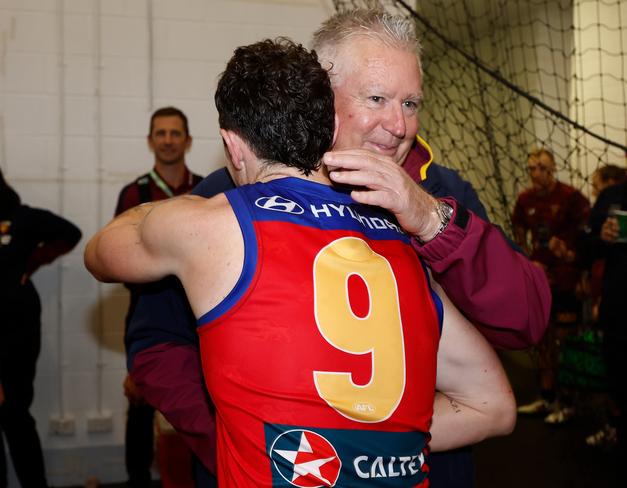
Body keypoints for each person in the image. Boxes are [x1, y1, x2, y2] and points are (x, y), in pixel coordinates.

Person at [126, 8, 550, 488]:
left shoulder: (441, 195)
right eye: (377, 98)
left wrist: (432, 222)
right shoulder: (236, 197)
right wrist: (246, 443)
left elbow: (528, 317)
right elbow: (156, 344)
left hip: (423, 469)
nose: (398, 124)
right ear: (322, 99)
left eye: (411, 103)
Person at [114, 106, 203, 488]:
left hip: (202, 321)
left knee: (198, 416)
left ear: (188, 140)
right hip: (148, 319)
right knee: (140, 408)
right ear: (151, 141)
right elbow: (120, 261)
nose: (168, 140)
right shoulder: (133, 193)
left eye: (175, 133)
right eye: (161, 133)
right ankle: (137, 480)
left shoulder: (207, 189)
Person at [0, 169, 82, 488]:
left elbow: (70, 232)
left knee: (14, 413)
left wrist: (34, 261)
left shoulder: (20, 217)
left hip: (16, 325)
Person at [582, 124, 627, 485]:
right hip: (620, 313)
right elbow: (586, 244)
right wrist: (602, 238)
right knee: (622, 386)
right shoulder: (610, 199)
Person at [512, 148, 590, 423]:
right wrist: (527, 264)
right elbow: (519, 235)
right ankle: (547, 398)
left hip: (567, 280)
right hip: (539, 280)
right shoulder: (525, 200)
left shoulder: (571, 198)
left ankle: (569, 402)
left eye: (543, 168)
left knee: (566, 342)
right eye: (532, 168)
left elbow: (588, 240)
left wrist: (571, 257)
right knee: (543, 342)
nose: (537, 174)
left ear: (554, 168)